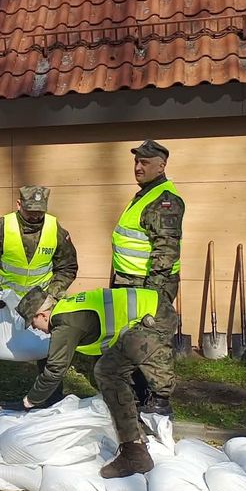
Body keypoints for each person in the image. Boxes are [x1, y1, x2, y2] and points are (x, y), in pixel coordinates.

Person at [23, 286, 177, 478]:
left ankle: (134, 454)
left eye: (33, 322)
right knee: (107, 370)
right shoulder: (68, 309)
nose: (35, 329)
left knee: (107, 373)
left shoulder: (64, 324)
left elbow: (54, 370)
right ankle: (138, 424)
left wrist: (30, 400)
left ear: (43, 315)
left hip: (155, 316)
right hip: (155, 308)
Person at [0, 186, 78, 401]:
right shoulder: (2, 227)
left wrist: (52, 296)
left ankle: (52, 393)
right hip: (2, 298)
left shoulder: (55, 229)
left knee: (51, 346)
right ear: (19, 205)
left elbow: (67, 267)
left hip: (40, 301)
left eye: (40, 212)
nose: (36, 216)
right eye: (30, 212)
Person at [111, 140, 185, 415]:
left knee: (153, 339)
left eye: (145, 162)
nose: (138, 167)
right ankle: (140, 392)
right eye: (136, 161)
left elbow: (165, 250)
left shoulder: (164, 200)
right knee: (134, 339)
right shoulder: (145, 194)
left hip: (148, 284)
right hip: (131, 282)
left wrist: (151, 294)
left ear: (161, 165)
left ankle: (159, 400)